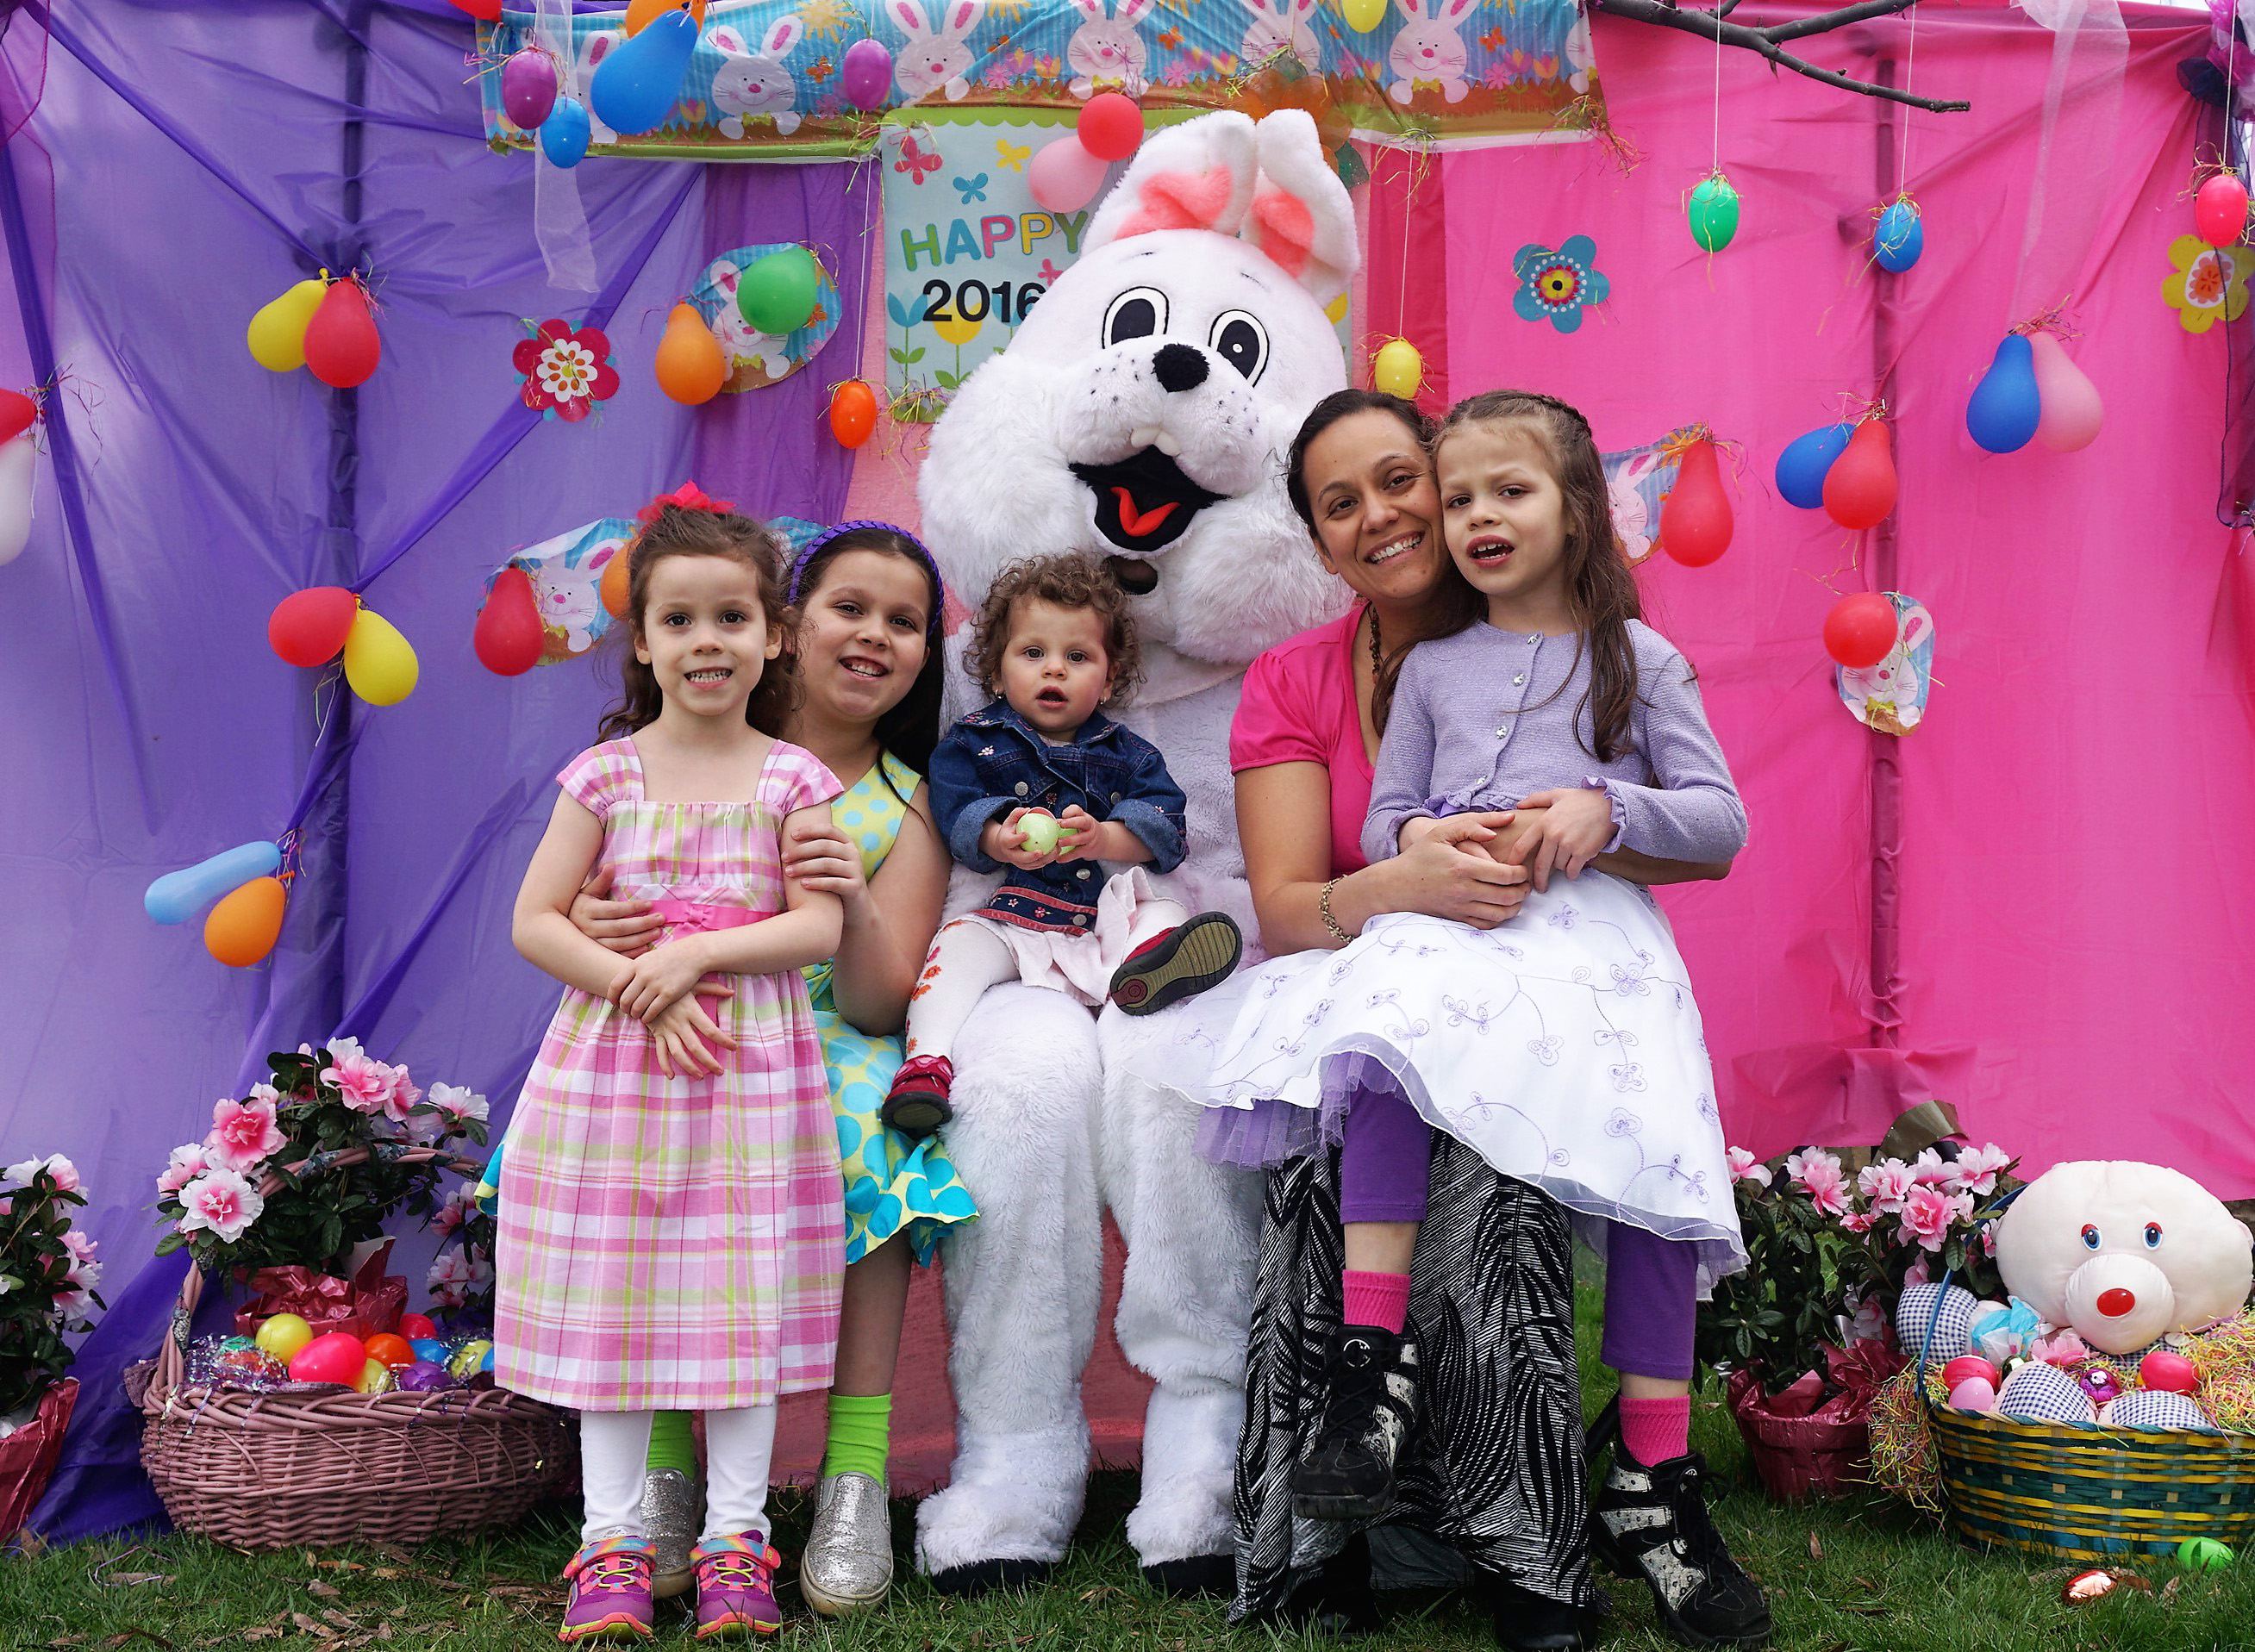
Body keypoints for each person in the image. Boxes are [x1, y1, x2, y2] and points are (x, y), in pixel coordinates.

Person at [1167, 389, 1768, 1649]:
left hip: (1579, 960)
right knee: (1375, 1061)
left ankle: (1631, 1483)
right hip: (1431, 949)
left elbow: (1715, 821)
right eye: (1346, 503)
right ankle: (1364, 1384)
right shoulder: (1388, 674)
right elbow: (1356, 849)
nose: (1431, 516)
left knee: (1633, 1144)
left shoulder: (1635, 659)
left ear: (1574, 508)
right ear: (1322, 539)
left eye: (1413, 484)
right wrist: (1413, 858)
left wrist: (1606, 810)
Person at [566, 521, 975, 1616]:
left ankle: (854, 1472)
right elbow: (580, 898)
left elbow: (879, 1003)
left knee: (868, 1128)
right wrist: (602, 926)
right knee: (657, 1146)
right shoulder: (681, 746)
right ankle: (664, 1465)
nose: (875, 635)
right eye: (851, 608)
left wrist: (848, 894)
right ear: (788, 628)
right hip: (668, 1012)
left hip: (823, 1032)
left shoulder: (908, 799)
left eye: (905, 623)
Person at [495, 487, 847, 1643]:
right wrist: (631, 984)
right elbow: (536, 920)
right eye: (680, 620)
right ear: (642, 642)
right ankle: (612, 1548)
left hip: (747, 1081)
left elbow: (817, 927)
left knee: (738, 1312)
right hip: (615, 1080)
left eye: (732, 618)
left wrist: (694, 955)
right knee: (618, 1309)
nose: (708, 641)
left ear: (774, 636)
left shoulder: (793, 780)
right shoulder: (604, 778)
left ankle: (737, 1546)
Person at [880, 554, 1243, 1135]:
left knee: (1166, 909)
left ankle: (1148, 971)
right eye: (1033, 653)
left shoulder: (1129, 753)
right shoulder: (972, 743)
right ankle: (925, 1063)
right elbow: (954, 811)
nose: (1055, 668)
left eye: (1077, 657)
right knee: (954, 948)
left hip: (1104, 919)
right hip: (1013, 917)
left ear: (1109, 677)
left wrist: (1103, 836)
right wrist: (999, 837)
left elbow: (1166, 830)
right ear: (997, 673)